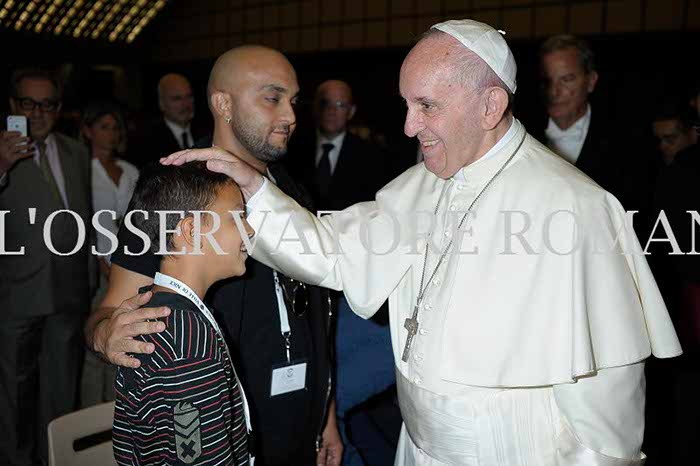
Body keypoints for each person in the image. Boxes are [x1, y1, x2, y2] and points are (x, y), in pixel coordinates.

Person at [163, 19, 682, 465]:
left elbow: (609, 388)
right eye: (407, 105)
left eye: (426, 106)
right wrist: (253, 188)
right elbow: (332, 252)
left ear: (490, 105)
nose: (409, 126)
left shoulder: (573, 206)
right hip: (416, 446)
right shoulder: (425, 184)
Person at [85, 46, 342, 466]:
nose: (291, 116)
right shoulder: (178, 192)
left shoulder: (293, 192)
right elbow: (108, 311)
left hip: (300, 424)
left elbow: (314, 315)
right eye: (272, 98)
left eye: (293, 101)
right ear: (222, 103)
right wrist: (104, 335)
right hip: (219, 436)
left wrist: (325, 414)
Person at [287, 79, 399, 465]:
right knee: (327, 396)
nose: (333, 111)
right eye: (326, 104)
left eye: (341, 105)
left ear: (351, 111)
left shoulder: (377, 157)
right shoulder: (291, 153)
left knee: (334, 398)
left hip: (363, 297)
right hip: (311, 295)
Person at [112, 162, 253, 465]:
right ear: (190, 230)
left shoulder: (152, 307)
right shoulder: (188, 342)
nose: (250, 229)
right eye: (239, 217)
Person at [0, 68, 93, 465]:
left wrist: (89, 279)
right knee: (13, 397)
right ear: (13, 106)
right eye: (28, 103)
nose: (37, 113)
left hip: (69, 293)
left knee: (61, 391)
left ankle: (57, 459)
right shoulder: (1, 149)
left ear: (58, 108)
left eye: (47, 104)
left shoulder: (75, 151)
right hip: (18, 293)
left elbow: (85, 218)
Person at [537, 34, 653, 215]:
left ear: (591, 81)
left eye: (566, 79)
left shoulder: (627, 142)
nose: (554, 91)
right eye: (548, 81)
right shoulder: (521, 133)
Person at [80, 100, 140, 407]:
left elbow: (140, 221)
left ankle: (119, 411)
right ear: (88, 131)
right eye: (104, 127)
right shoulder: (81, 169)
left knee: (125, 341)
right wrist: (102, 262)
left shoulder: (130, 170)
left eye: (115, 127)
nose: (112, 134)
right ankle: (91, 413)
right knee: (97, 341)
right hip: (96, 264)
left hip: (130, 263)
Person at [135, 73, 200, 167]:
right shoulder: (146, 140)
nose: (186, 104)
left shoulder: (207, 132)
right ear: (162, 103)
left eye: (189, 96)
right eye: (177, 98)